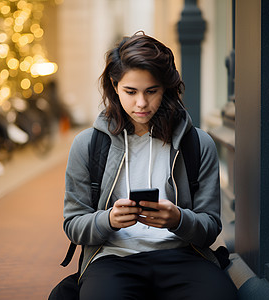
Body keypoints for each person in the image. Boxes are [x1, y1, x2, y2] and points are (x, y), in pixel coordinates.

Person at [62, 32, 237, 300]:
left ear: (166, 88)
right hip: (112, 258)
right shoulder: (87, 144)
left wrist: (179, 219)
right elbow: (73, 224)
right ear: (114, 85)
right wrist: (108, 220)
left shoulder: (198, 144)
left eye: (151, 91)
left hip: (182, 255)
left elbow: (211, 225)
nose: (141, 103)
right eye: (130, 92)